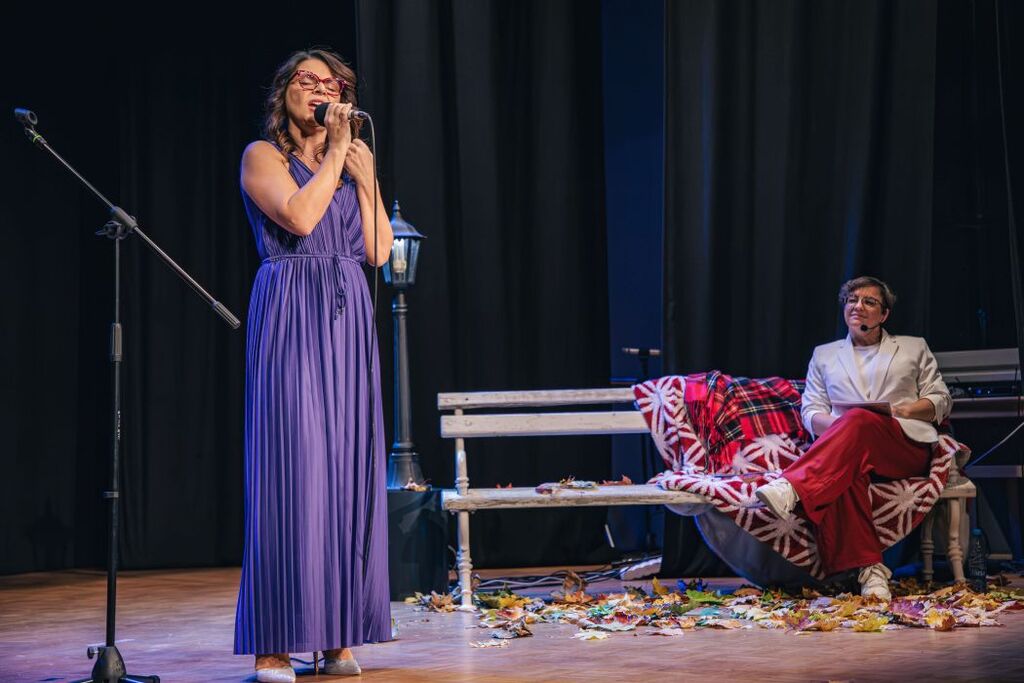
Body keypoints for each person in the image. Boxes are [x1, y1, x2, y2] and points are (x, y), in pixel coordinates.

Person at [233, 48, 394, 683]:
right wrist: (336, 156)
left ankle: (336, 636)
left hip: (348, 320)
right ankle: (274, 642)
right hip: (291, 313)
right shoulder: (263, 156)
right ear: (286, 92)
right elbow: (300, 218)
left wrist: (367, 177)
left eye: (332, 84)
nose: (320, 90)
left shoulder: (351, 164)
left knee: (347, 473)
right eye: (307, 80)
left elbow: (379, 252)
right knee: (292, 473)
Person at [753, 276, 951, 601]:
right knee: (847, 471)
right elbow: (811, 411)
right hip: (849, 449)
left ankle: (793, 486)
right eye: (852, 300)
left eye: (869, 301)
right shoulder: (824, 355)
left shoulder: (913, 347)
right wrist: (846, 430)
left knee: (859, 420)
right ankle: (871, 572)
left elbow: (941, 399)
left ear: (884, 314)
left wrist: (904, 409)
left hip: (903, 445)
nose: (858, 306)